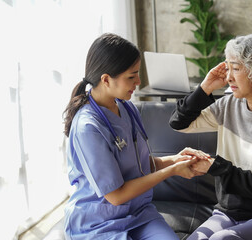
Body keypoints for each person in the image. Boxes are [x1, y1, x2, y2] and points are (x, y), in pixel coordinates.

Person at [62, 33, 203, 240]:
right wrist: (172, 171)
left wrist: (177, 159)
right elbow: (116, 195)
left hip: (139, 214)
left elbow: (137, 166)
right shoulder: (88, 127)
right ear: (106, 80)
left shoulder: (127, 109)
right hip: (99, 223)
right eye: (131, 76)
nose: (138, 81)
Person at [169, 33, 252, 240]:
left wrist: (214, 166)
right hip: (229, 213)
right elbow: (179, 123)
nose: (228, 77)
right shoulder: (229, 105)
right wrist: (205, 87)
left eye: (235, 68)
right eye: (228, 68)